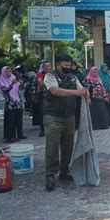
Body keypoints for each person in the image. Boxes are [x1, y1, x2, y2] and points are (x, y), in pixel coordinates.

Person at [42, 54, 88, 191]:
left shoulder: (73, 78)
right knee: (53, 144)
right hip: (52, 115)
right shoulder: (50, 77)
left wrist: (86, 94)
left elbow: (82, 90)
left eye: (69, 66)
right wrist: (76, 92)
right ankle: (50, 174)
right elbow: (55, 91)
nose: (68, 68)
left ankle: (64, 170)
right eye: (65, 66)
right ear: (58, 65)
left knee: (68, 144)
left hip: (69, 116)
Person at [0, 66, 26, 143]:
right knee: (10, 119)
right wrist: (11, 85)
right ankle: (10, 136)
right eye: (7, 71)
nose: (8, 73)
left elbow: (21, 89)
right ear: (3, 72)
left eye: (10, 71)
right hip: (10, 102)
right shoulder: (2, 80)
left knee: (19, 118)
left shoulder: (13, 77)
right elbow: (5, 91)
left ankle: (20, 134)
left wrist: (21, 83)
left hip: (18, 101)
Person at [31, 61, 52, 137]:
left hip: (53, 95)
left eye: (49, 66)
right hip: (42, 95)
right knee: (42, 112)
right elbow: (39, 83)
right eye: (46, 66)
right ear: (43, 67)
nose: (48, 68)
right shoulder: (39, 75)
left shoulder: (53, 75)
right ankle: (42, 129)